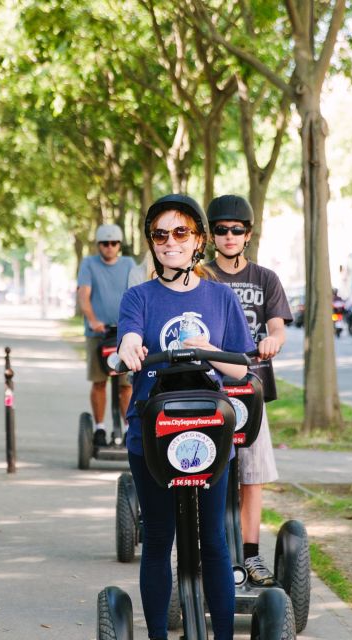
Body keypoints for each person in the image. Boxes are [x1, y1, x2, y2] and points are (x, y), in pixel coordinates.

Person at [117, 194, 253, 640]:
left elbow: (238, 366)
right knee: (158, 537)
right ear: (151, 243)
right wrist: (129, 349)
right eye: (160, 234)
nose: (170, 242)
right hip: (153, 432)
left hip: (209, 431)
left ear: (198, 240)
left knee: (214, 539)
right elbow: (129, 340)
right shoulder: (139, 296)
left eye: (180, 233)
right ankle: (157, 633)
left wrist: (204, 348)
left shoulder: (220, 298)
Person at [204, 194, 291, 587]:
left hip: (251, 392)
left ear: (248, 234)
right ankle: (211, 555)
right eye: (221, 230)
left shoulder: (265, 279)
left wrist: (273, 340)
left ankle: (251, 557)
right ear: (210, 236)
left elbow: (278, 326)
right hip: (210, 391)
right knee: (207, 474)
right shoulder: (202, 278)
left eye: (236, 230)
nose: (228, 236)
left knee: (250, 478)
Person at [77, 223, 136, 445]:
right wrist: (93, 321)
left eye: (113, 244)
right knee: (99, 381)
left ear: (119, 245)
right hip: (98, 334)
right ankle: (100, 428)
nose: (109, 247)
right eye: (105, 244)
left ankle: (129, 429)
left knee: (126, 385)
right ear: (98, 245)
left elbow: (136, 292)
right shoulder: (89, 264)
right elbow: (84, 294)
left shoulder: (129, 264)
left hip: (125, 335)